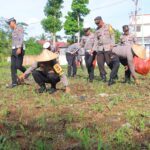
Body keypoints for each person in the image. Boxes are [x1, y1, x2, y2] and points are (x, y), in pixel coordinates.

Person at [93, 16, 120, 85]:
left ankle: (114, 74)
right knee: (100, 63)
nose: (97, 24)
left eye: (98, 23)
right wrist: (93, 49)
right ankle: (103, 76)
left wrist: (112, 44)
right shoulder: (96, 30)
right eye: (96, 23)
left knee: (109, 62)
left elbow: (112, 35)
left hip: (108, 47)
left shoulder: (108, 26)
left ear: (101, 20)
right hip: (100, 48)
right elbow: (96, 40)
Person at [6, 18, 26, 88]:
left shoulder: (19, 28)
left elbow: (21, 37)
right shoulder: (13, 31)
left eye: (9, 23)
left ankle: (27, 72)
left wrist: (19, 48)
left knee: (18, 66)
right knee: (12, 66)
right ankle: (14, 83)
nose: (9, 25)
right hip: (14, 49)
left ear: (13, 22)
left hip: (19, 49)